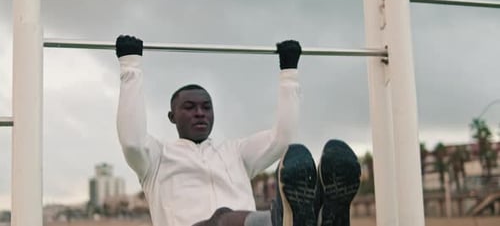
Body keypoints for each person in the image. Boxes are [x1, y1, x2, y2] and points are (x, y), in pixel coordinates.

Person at [115, 35, 360, 226]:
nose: (199, 112)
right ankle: (281, 221)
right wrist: (131, 65)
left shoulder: (236, 152)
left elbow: (282, 138)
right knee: (221, 219)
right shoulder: (156, 158)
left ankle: (324, 215)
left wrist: (289, 72)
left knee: (292, 161)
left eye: (206, 107)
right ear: (172, 116)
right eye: (189, 107)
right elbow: (132, 141)